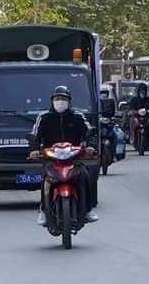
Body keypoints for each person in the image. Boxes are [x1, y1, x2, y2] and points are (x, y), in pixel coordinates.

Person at [29, 86, 98, 225]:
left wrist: (91, 146)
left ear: (69, 101)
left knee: (85, 177)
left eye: (63, 99)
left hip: (73, 158)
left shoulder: (78, 117)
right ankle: (43, 210)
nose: (60, 102)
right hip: (51, 159)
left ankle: (88, 209)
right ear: (52, 101)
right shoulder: (44, 118)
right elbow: (35, 136)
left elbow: (89, 132)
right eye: (57, 99)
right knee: (46, 181)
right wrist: (34, 149)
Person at [128, 82, 149, 149]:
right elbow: (130, 109)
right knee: (131, 121)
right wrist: (133, 112)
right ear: (138, 92)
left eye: (144, 91)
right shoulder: (134, 100)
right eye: (141, 91)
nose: (143, 93)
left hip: (147, 117)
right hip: (136, 117)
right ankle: (132, 137)